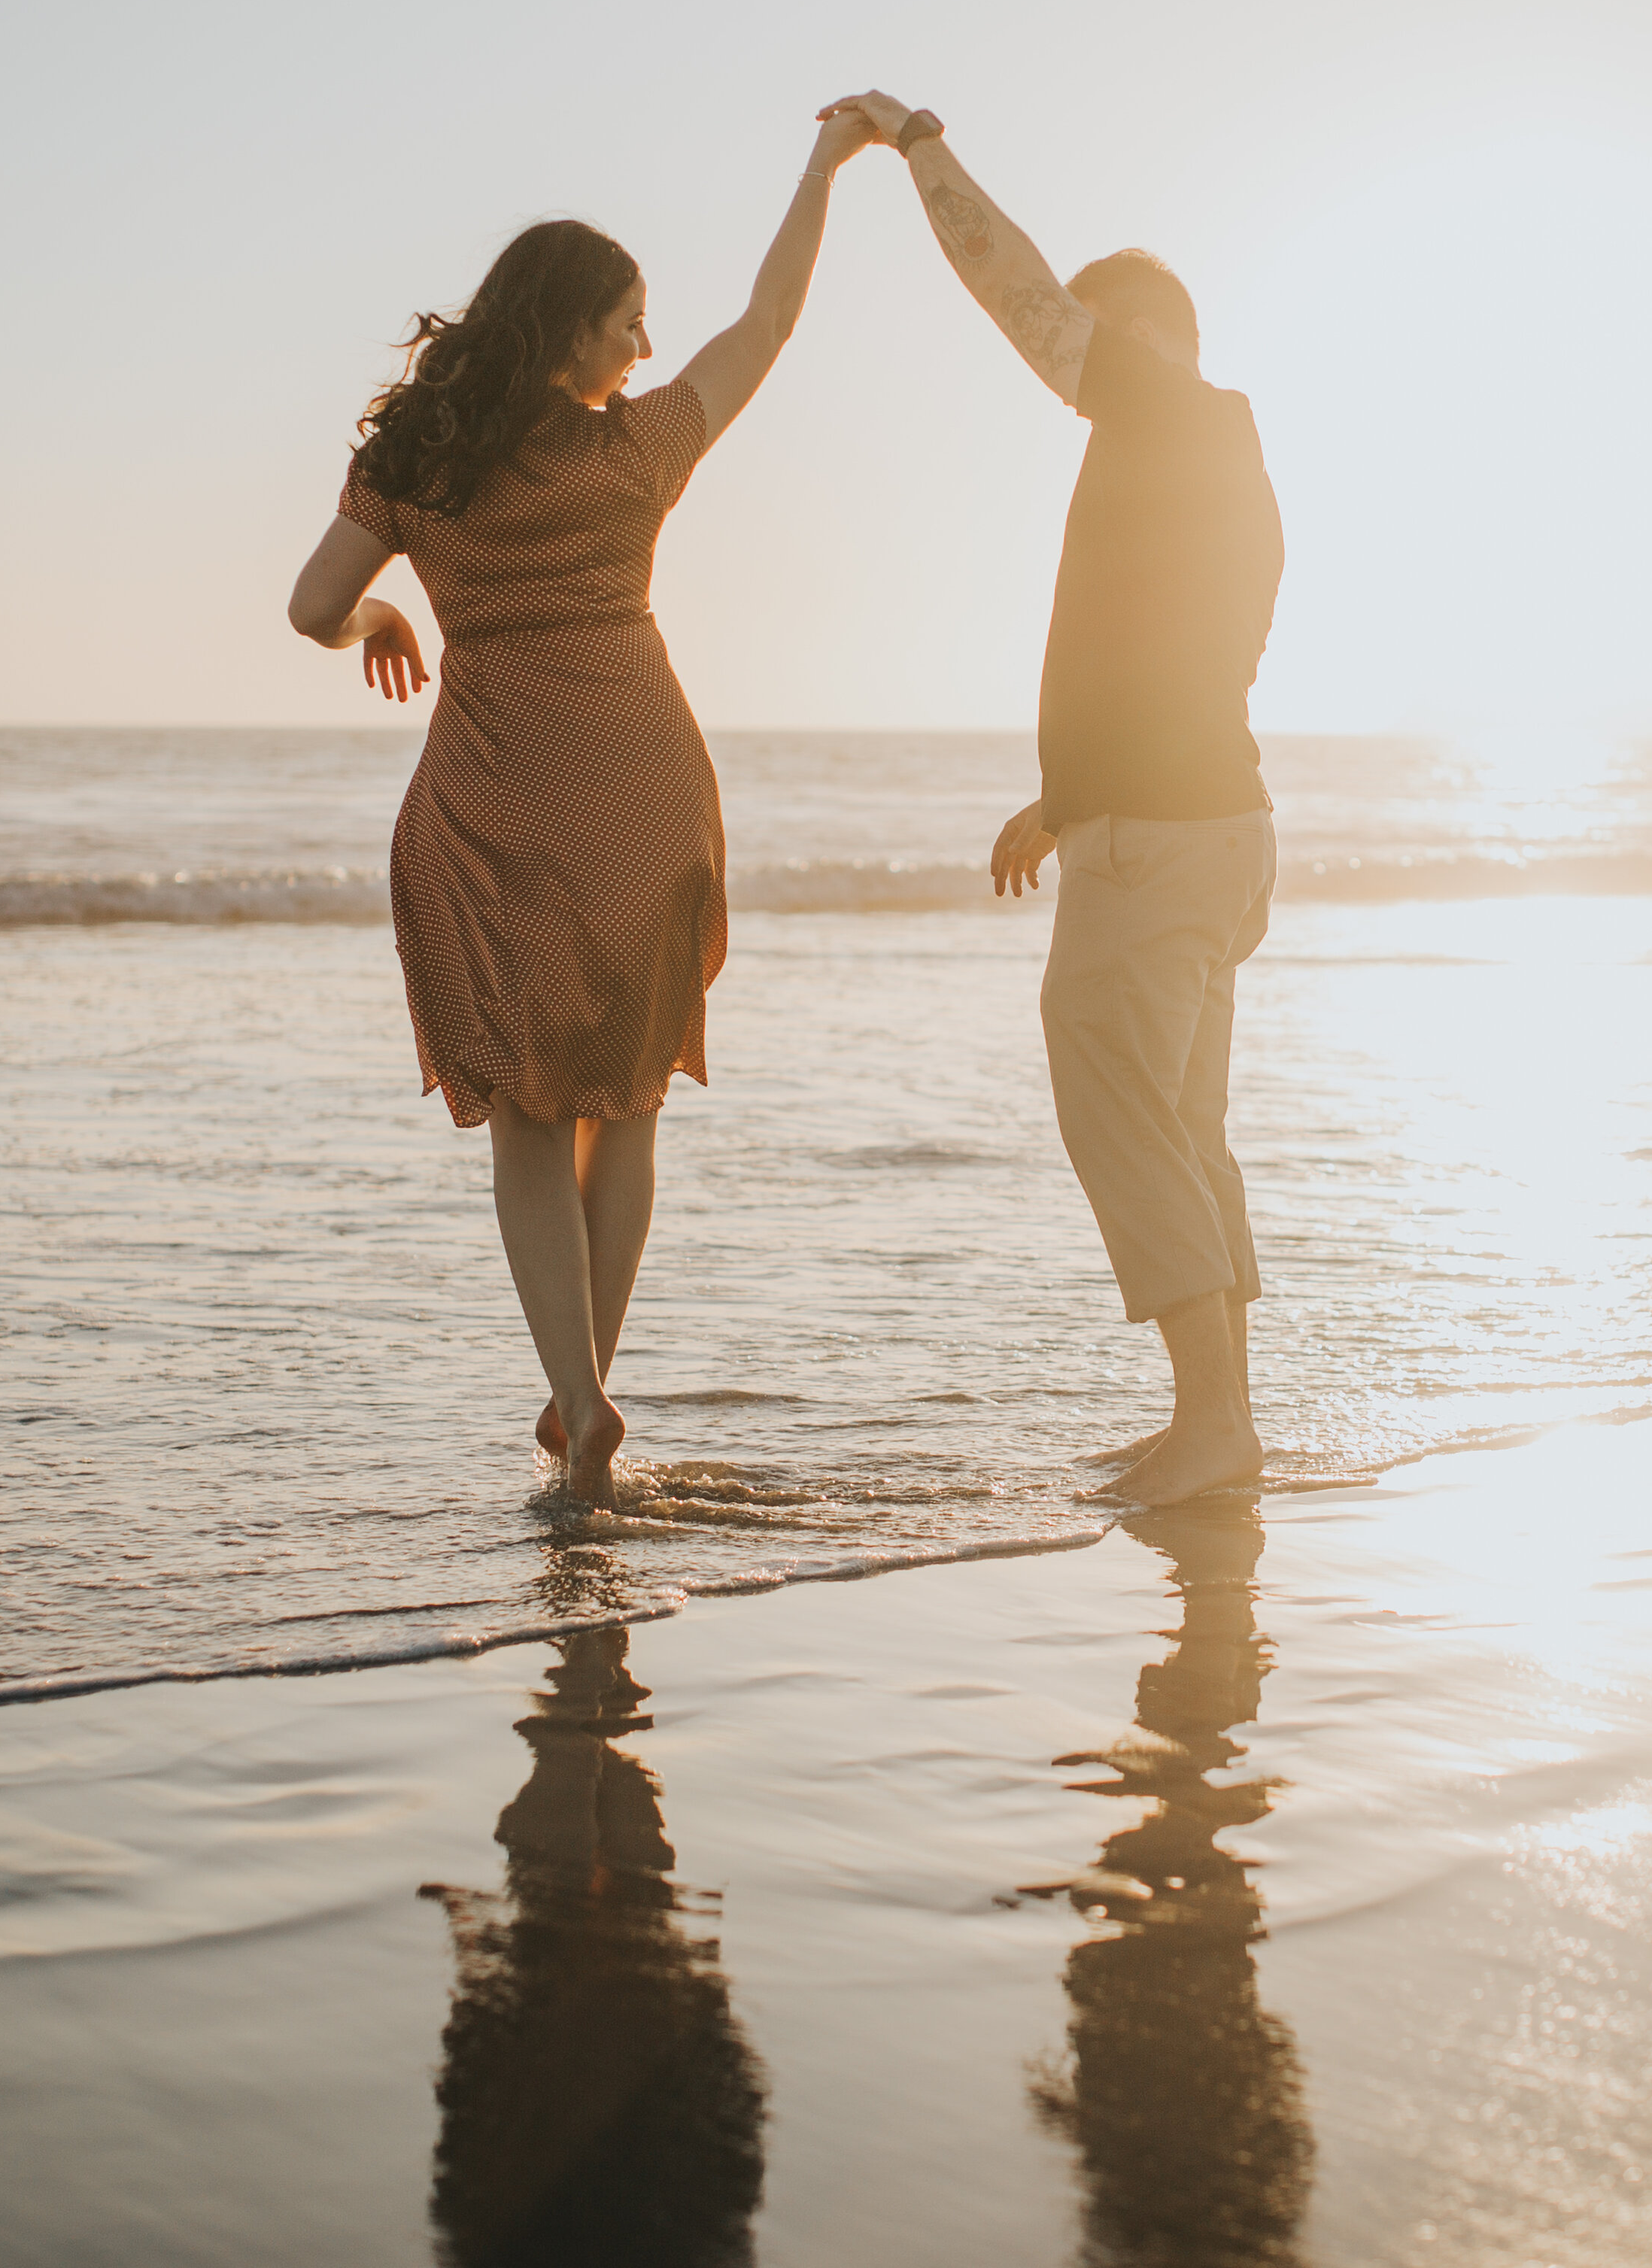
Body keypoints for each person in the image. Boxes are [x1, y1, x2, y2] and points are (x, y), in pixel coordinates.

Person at [288, 108, 878, 1500]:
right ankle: (586, 1405)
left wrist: (380, 607)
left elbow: (311, 604)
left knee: (530, 1118)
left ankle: (580, 1399)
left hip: (495, 802)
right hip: (644, 798)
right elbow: (773, 318)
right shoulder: (637, 456)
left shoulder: (421, 462)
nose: (646, 350)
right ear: (569, 331)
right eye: (628, 323)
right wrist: (825, 163)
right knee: (632, 1103)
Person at [822, 91, 1283, 1506]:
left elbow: (1013, 290)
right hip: (1205, 827)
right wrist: (1059, 799)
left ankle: (1211, 1424)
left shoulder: (1162, 400)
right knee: (1182, 1122)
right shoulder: (1224, 459)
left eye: (1093, 344)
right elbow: (1162, 671)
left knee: (1121, 1112)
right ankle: (1222, 1422)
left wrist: (917, 147)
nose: (1070, 375)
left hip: (1159, 845)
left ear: (1140, 336)